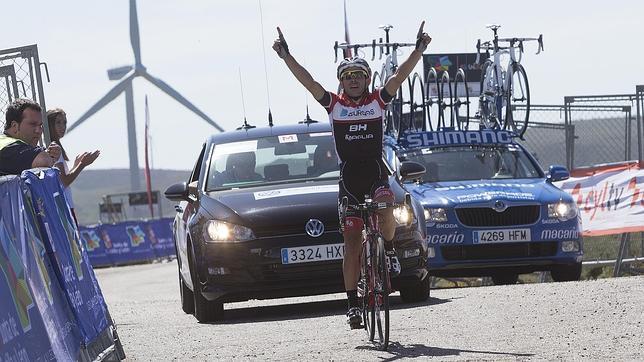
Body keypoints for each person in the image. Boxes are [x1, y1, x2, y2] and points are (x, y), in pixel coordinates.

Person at [273, 22, 432, 329]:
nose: (354, 81)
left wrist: (419, 50)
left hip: (376, 175)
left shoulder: (377, 101)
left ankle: (387, 249)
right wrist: (286, 56)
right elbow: (308, 81)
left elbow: (399, 76)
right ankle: (352, 305)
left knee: (387, 206)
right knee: (351, 243)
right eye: (348, 77)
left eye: (359, 75)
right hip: (349, 182)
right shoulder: (334, 106)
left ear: (367, 79)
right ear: (342, 83)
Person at [46, 108, 100, 223]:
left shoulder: (52, 145)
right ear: (49, 125)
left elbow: (61, 178)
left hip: (61, 204)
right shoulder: (54, 147)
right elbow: (64, 181)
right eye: (58, 122)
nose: (62, 126)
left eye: (64, 122)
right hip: (64, 205)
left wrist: (75, 165)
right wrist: (82, 165)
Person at [0, 98, 61, 175]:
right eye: (33, 124)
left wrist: (49, 153)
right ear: (15, 126)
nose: (38, 130)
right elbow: (43, 160)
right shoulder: (8, 147)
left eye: (40, 125)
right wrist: (50, 155)